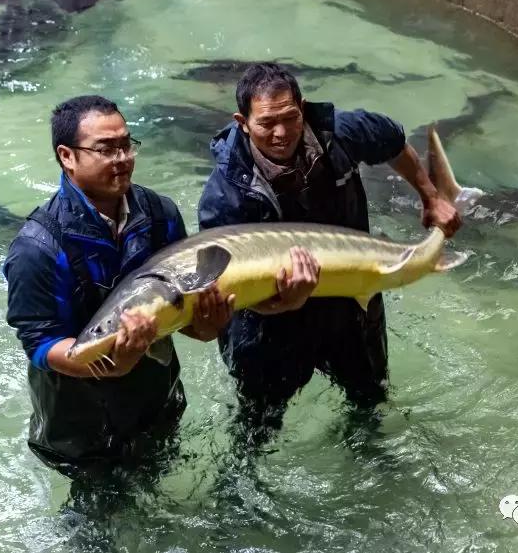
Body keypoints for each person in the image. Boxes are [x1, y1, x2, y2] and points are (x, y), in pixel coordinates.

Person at [197, 62, 461, 446]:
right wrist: (285, 303)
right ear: (243, 122)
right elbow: (231, 290)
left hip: (350, 304)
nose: (281, 133)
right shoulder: (224, 196)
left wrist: (431, 197)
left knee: (370, 402)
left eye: (290, 118)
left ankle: (372, 456)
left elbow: (392, 140)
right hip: (268, 329)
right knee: (256, 427)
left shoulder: (339, 133)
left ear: (302, 108)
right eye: (267, 123)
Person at [2, 96, 233, 522]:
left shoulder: (160, 215)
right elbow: (40, 343)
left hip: (156, 401)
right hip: (79, 425)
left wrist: (209, 325)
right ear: (67, 156)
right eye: (106, 149)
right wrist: (110, 365)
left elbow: (183, 311)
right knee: (95, 519)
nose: (122, 158)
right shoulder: (37, 248)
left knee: (153, 498)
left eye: (126, 145)